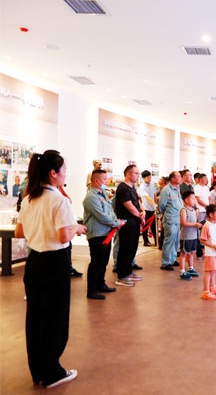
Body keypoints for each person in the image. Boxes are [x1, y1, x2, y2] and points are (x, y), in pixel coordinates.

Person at [15, 150, 87, 388]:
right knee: (54, 317)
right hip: (54, 262)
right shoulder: (59, 200)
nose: (66, 174)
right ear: (53, 173)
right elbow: (63, 235)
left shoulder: (29, 199)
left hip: (34, 261)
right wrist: (77, 228)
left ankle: (38, 370)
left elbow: (19, 232)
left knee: (35, 317)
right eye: (64, 170)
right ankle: (53, 372)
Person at [83, 169, 125, 300]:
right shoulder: (91, 197)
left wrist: (116, 221)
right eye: (104, 179)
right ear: (96, 180)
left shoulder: (103, 194)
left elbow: (110, 211)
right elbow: (101, 215)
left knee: (103, 261)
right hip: (97, 234)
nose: (107, 181)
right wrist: (115, 223)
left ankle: (100, 284)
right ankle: (92, 290)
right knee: (96, 262)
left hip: (106, 232)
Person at [113, 165, 144, 287]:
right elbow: (129, 206)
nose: (138, 175)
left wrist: (142, 212)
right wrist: (140, 216)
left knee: (132, 248)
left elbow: (137, 202)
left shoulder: (133, 187)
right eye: (136, 173)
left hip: (134, 221)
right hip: (127, 222)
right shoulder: (123, 187)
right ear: (128, 174)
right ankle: (121, 275)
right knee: (125, 248)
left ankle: (128, 271)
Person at [158, 171, 183, 270]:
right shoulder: (166, 190)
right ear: (172, 179)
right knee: (169, 241)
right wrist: (166, 213)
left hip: (178, 218)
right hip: (170, 219)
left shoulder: (177, 189)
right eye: (179, 176)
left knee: (176, 241)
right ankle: (165, 262)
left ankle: (172, 259)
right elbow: (161, 205)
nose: (180, 178)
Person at [199, 204, 216, 300]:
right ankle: (206, 291)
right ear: (211, 214)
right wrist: (213, 246)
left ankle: (212, 287)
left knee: (214, 270)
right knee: (208, 271)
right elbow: (202, 240)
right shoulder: (206, 225)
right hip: (210, 253)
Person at [178, 191, 201, 280]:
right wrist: (195, 224)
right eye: (193, 199)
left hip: (193, 236)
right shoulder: (184, 210)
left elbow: (194, 220)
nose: (194, 200)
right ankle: (182, 271)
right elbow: (183, 222)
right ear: (186, 200)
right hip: (186, 236)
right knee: (184, 253)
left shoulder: (193, 210)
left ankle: (191, 268)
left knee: (191, 253)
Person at [138, 170, 157, 247]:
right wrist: (154, 204)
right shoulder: (142, 187)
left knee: (154, 226)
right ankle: (146, 241)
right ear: (143, 178)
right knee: (145, 226)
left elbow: (155, 194)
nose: (150, 179)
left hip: (153, 208)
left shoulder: (152, 184)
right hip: (146, 208)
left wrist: (155, 204)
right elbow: (147, 197)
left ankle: (156, 240)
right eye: (148, 177)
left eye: (150, 177)